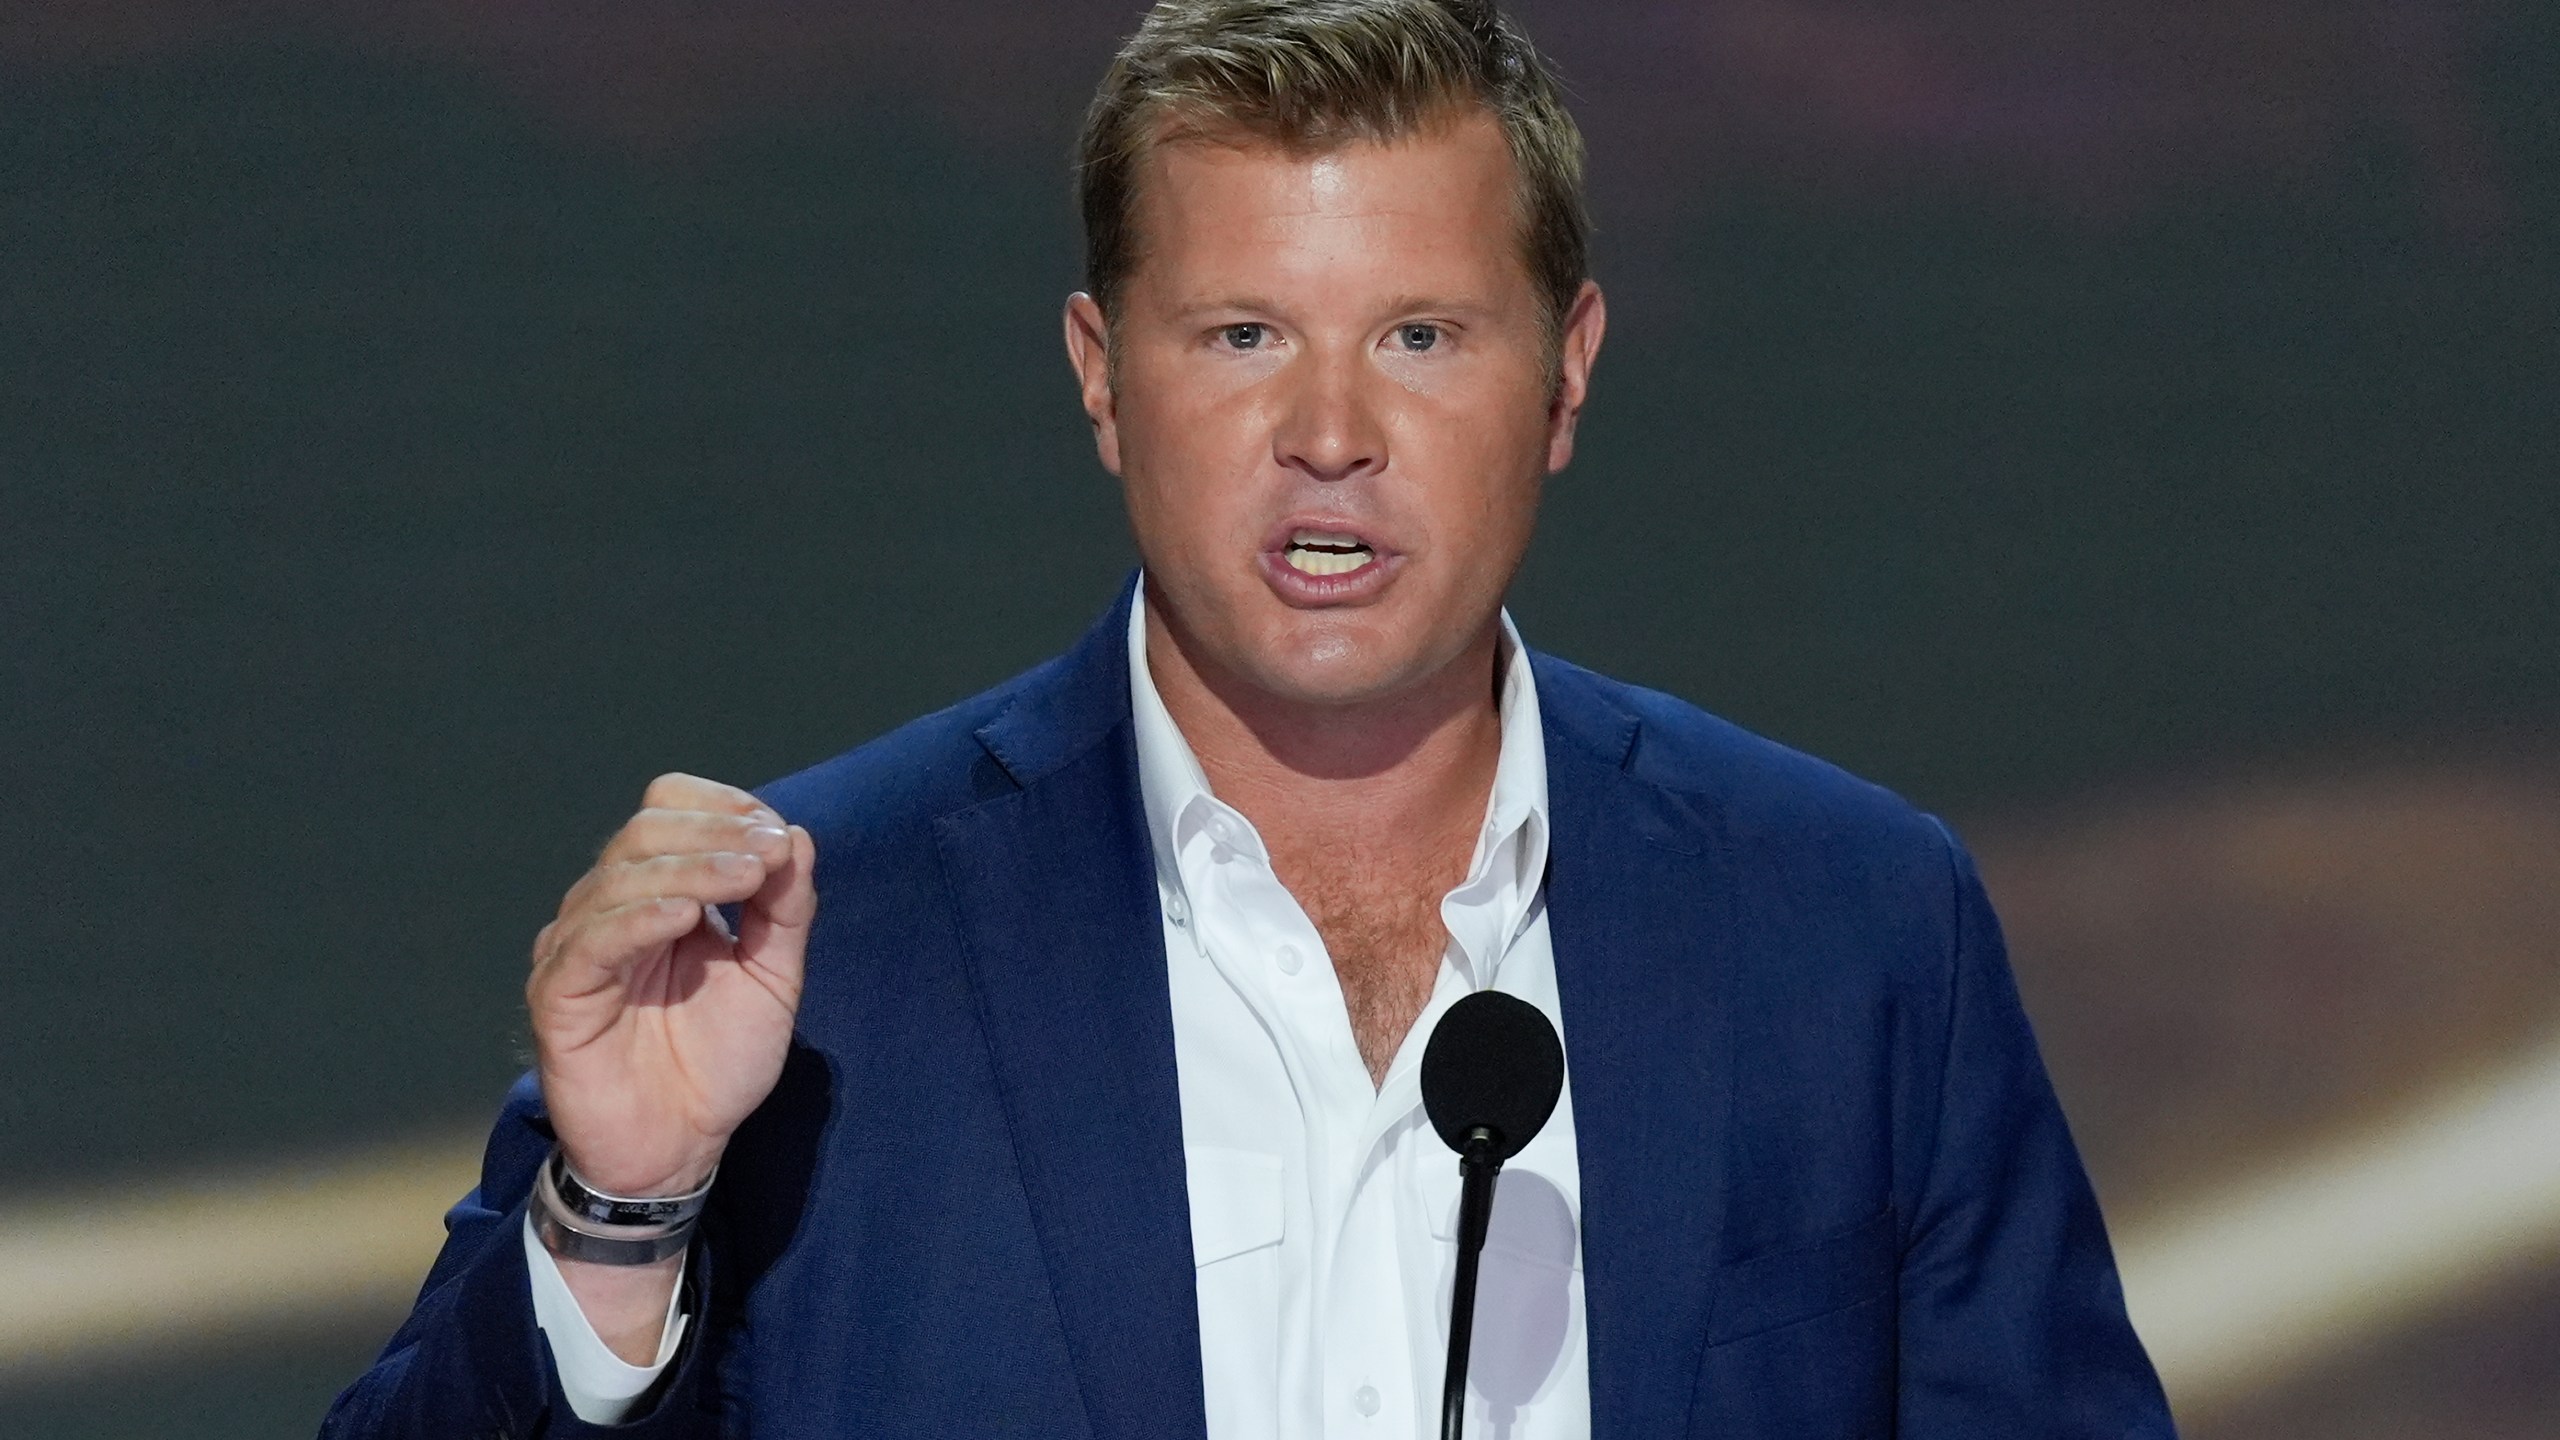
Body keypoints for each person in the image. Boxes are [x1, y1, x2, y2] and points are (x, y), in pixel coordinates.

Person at [322, 1, 2175, 1436]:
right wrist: (621, 1221)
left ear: (1570, 374)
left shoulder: (1848, 925)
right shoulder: (813, 948)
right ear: (1099, 378)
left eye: (1424, 335)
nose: (1332, 434)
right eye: (1241, 336)